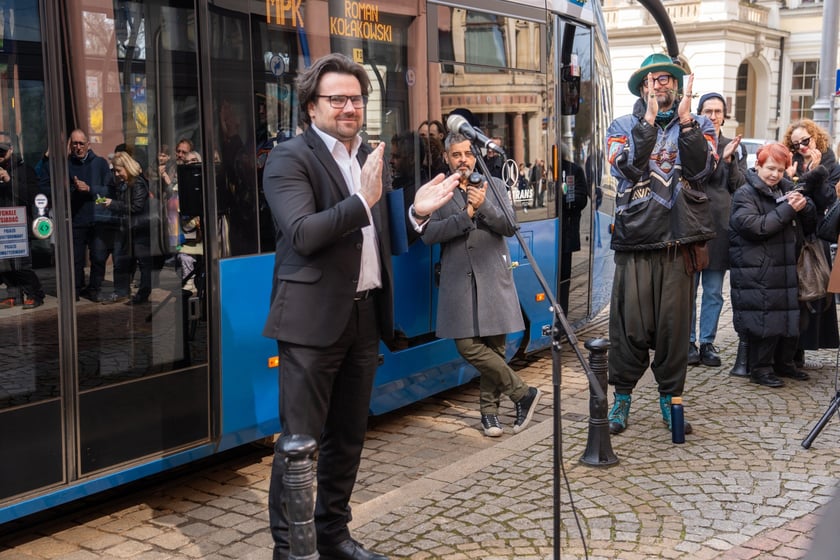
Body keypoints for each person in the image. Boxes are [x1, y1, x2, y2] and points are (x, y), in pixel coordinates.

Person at [261, 53, 458, 560]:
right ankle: (292, 548)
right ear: (311, 106)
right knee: (300, 444)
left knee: (348, 438)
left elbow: (378, 232)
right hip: (311, 321)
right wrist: (361, 197)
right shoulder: (289, 158)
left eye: (357, 99)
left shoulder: (367, 154)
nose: (350, 107)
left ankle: (333, 535)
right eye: (338, 99)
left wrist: (414, 210)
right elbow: (303, 234)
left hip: (365, 313)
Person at [604, 53, 717, 437]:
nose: (661, 84)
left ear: (677, 84)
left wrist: (686, 122)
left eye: (667, 78)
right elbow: (623, 166)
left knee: (674, 330)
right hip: (636, 240)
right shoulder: (622, 125)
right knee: (628, 327)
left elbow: (704, 169)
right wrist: (649, 123)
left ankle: (671, 402)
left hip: (679, 242)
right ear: (641, 87)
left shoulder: (699, 123)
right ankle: (621, 399)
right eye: (653, 79)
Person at [421, 131, 541, 438]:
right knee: (468, 346)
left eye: (467, 154)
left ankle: (490, 414)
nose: (463, 160)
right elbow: (429, 235)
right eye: (456, 155)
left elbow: (510, 227)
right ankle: (523, 393)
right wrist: (467, 214)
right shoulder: (438, 191)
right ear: (447, 158)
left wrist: (484, 204)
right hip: (458, 280)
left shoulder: (496, 185)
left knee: (495, 348)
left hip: (493, 276)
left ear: (475, 156)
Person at [729, 142, 817, 387]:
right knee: (764, 323)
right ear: (757, 166)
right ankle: (760, 369)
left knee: (790, 321)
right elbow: (756, 227)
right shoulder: (744, 194)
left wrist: (805, 206)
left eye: (780, 170)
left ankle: (784, 364)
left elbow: (809, 225)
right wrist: (789, 210)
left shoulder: (786, 190)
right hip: (757, 270)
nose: (774, 174)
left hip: (785, 268)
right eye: (770, 168)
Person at [688, 93, 747, 368]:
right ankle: (687, 342)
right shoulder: (691, 142)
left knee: (712, 290)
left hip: (719, 227)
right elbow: (692, 178)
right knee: (688, 290)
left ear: (724, 115)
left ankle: (707, 342)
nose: (713, 116)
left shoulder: (733, 145)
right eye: (708, 111)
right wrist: (716, 159)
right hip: (691, 224)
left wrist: (730, 160)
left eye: (718, 111)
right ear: (699, 113)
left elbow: (739, 186)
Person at [782, 119, 840, 370]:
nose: (802, 147)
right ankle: (788, 350)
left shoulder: (829, 162)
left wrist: (816, 174)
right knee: (792, 294)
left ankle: (802, 348)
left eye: (805, 141)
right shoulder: (790, 160)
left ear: (815, 137)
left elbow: (828, 199)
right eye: (796, 143)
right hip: (792, 231)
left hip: (817, 233)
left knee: (813, 290)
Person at [64, 129, 114, 302]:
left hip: (97, 218)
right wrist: (74, 189)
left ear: (88, 145)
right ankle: (76, 289)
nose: (78, 147)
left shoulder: (100, 163)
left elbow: (109, 189)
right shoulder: (66, 165)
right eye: (74, 143)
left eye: (81, 143)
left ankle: (94, 288)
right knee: (76, 258)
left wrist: (90, 189)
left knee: (98, 257)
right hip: (76, 219)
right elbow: (55, 188)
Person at [0, 131, 46, 309]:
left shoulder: (24, 169)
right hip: (1, 225)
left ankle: (35, 294)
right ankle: (14, 295)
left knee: (21, 265)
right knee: (4, 265)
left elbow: (33, 196)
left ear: (11, 149)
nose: (0, 155)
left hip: (18, 226)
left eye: (3, 151)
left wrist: (9, 180)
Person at [101, 151, 153, 305]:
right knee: (121, 260)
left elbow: (136, 207)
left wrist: (113, 204)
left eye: (119, 170)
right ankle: (121, 292)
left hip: (140, 228)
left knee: (144, 264)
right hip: (129, 228)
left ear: (127, 167)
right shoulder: (125, 183)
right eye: (115, 170)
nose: (116, 174)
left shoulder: (137, 183)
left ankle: (142, 294)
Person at [559, 148, 589, 314]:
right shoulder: (543, 168)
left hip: (566, 235)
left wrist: (561, 198)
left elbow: (581, 198)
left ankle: (563, 316)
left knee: (563, 280)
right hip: (546, 235)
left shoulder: (572, 170)